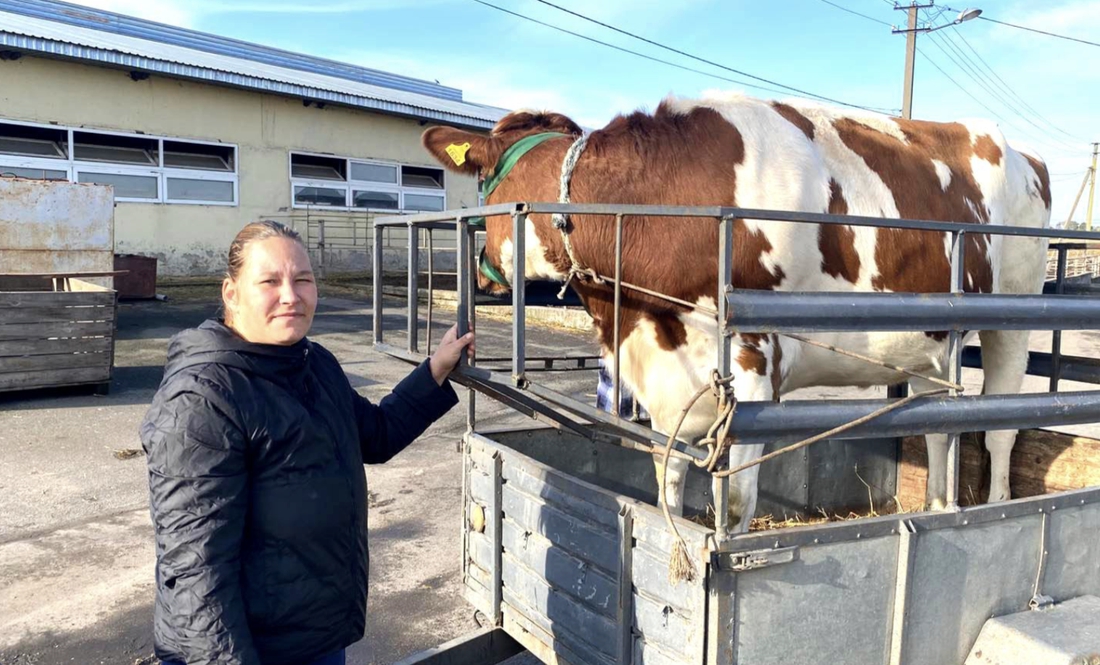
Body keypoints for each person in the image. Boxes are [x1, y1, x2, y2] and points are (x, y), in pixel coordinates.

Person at [140, 221, 473, 665]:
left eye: (303, 279)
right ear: (231, 293)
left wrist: (434, 369)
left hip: (312, 636)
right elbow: (194, 572)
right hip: (242, 650)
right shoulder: (203, 397)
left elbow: (376, 434)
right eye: (269, 281)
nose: (291, 296)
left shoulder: (314, 364)